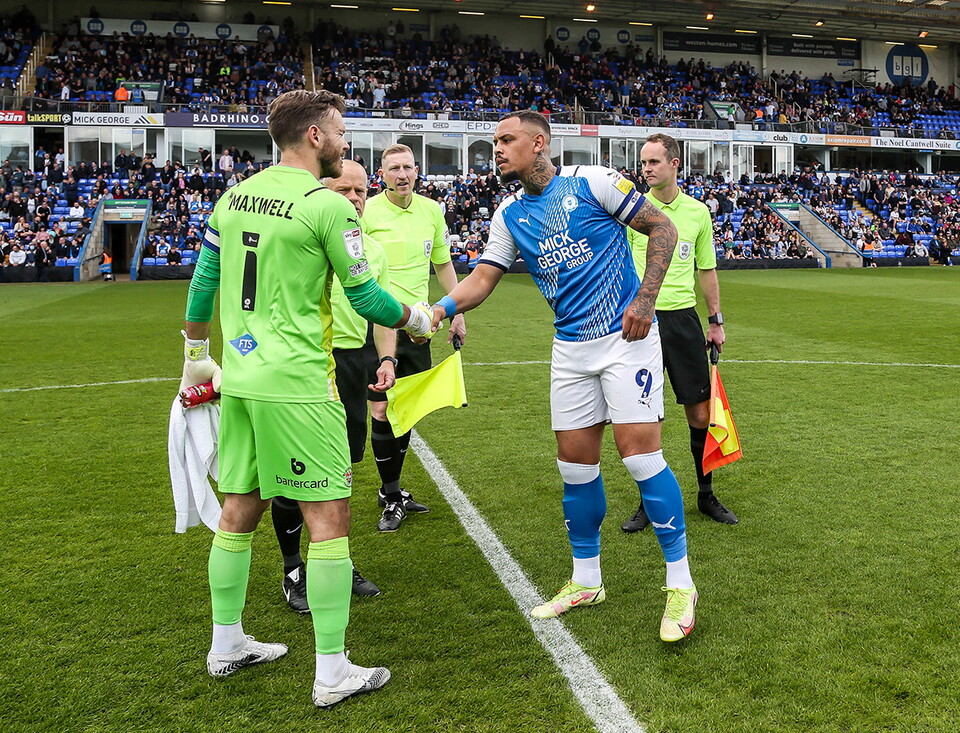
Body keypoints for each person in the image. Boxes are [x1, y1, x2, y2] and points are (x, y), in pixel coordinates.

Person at [179, 89, 436, 707]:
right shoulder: (328, 206)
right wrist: (417, 317)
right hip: (299, 386)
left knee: (239, 508)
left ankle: (226, 643)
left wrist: (195, 355)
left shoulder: (233, 197)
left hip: (240, 381)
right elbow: (367, 299)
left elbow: (204, 283)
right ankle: (331, 670)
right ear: (316, 136)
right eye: (341, 131)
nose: (346, 143)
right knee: (330, 520)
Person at [427, 111, 698, 642]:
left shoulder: (592, 181)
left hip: (627, 340)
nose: (498, 149)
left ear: (539, 142)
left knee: (642, 460)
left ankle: (681, 586)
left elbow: (661, 228)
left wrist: (646, 300)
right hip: (570, 349)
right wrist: (438, 310)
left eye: (507, 140)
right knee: (575, 471)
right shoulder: (508, 215)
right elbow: (483, 279)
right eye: (495, 142)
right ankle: (586, 580)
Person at [271, 159, 395, 607]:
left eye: (360, 192)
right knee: (295, 473)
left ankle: (333, 560)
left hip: (353, 363)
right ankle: (293, 569)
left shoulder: (372, 250)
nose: (354, 199)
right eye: (343, 191)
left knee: (340, 473)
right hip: (304, 364)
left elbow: (380, 309)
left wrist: (384, 358)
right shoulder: (303, 240)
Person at [621, 134, 737, 532]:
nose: (646, 168)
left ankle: (706, 495)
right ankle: (647, 502)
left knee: (700, 413)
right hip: (641, 322)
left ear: (675, 164)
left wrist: (715, 321)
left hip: (683, 321)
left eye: (654, 161)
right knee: (641, 416)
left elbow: (706, 269)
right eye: (643, 162)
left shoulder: (697, 212)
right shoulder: (632, 209)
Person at [361, 144, 467, 532]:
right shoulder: (367, 212)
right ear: (382, 174)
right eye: (394, 168)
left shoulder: (431, 211)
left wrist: (456, 313)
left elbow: (443, 264)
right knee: (379, 410)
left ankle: (393, 489)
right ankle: (390, 496)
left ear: (417, 170)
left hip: (419, 328)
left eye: (407, 167)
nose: (402, 174)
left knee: (406, 409)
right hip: (376, 326)